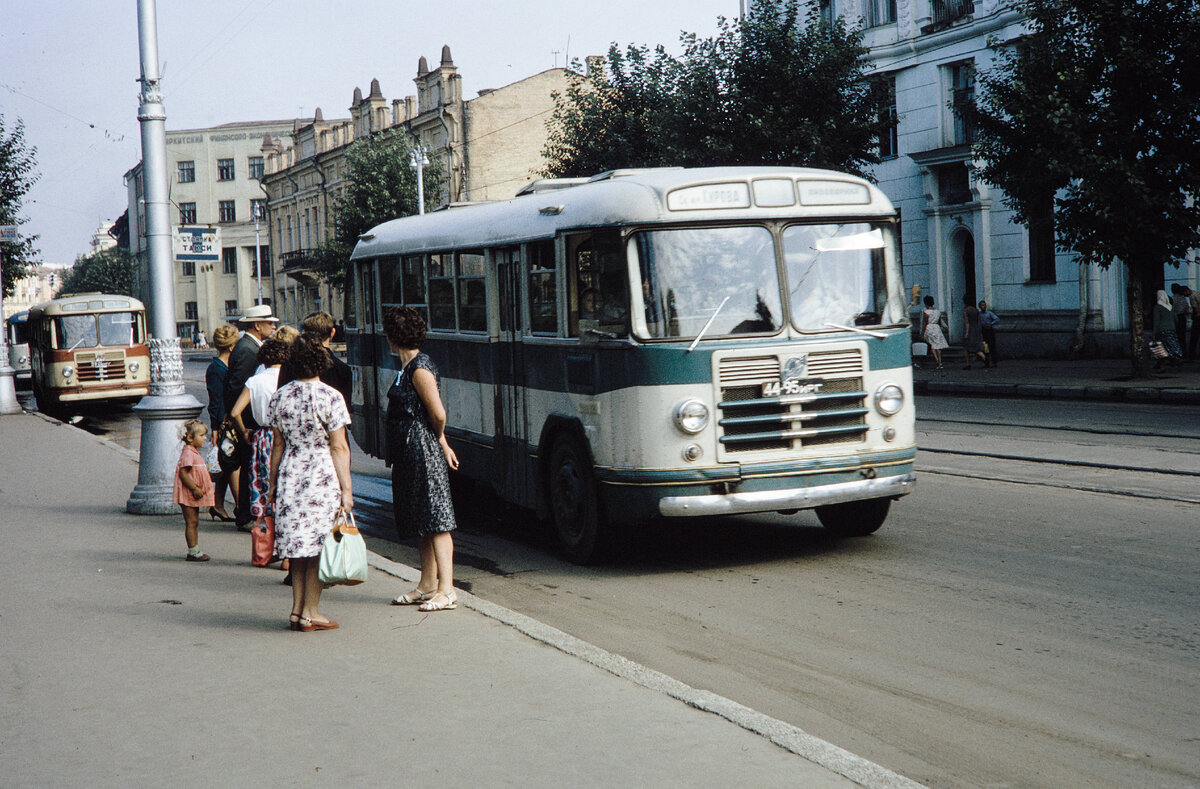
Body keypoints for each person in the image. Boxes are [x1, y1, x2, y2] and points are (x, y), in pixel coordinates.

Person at [267, 334, 353, 632]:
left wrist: (272, 482)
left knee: (297, 547)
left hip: (291, 472)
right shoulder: (331, 397)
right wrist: (346, 490)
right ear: (321, 362)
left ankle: (296, 610)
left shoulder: (280, 396)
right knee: (316, 547)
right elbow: (339, 447)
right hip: (321, 476)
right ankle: (311, 612)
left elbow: (276, 445)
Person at [383, 306, 460, 613]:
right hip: (412, 449)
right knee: (422, 519)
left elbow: (438, 413)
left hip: (421, 449)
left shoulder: (419, 369)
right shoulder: (409, 366)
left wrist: (438, 439)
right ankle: (428, 584)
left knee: (437, 518)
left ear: (392, 338)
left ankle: (447, 589)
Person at [223, 304, 279, 530]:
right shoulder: (248, 349)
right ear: (257, 325)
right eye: (269, 323)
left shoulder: (247, 345)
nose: (273, 327)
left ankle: (245, 513)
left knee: (251, 468)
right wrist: (244, 424)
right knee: (251, 469)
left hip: (247, 422)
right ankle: (246, 514)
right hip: (249, 424)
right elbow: (238, 388)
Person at [229, 338, 290, 540]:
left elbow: (235, 412)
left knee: (264, 485)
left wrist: (244, 431)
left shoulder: (255, 381)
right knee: (284, 487)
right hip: (283, 435)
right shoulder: (287, 380)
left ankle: (265, 538)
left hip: (262, 436)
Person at [277, 311, 352, 408]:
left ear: (304, 333)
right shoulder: (342, 369)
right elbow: (345, 411)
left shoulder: (289, 365)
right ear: (332, 333)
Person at [205, 324, 239, 521]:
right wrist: (216, 427)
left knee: (225, 467)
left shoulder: (223, 367)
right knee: (232, 465)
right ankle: (240, 506)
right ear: (232, 347)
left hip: (226, 420)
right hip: (226, 422)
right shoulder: (216, 369)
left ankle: (218, 505)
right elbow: (215, 401)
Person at [174, 419, 215, 562]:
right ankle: (193, 551)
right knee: (191, 522)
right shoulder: (188, 453)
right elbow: (183, 473)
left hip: (191, 493)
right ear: (190, 438)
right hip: (188, 493)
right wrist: (195, 488)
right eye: (202, 435)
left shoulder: (193, 451)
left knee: (194, 521)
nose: (205, 438)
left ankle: (195, 548)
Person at [1152, 289, 1183, 370]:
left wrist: (1154, 333)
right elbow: (1176, 319)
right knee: (1171, 345)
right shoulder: (1170, 307)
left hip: (1162, 330)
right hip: (1172, 329)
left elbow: (1156, 321)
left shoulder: (1158, 307)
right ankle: (1175, 359)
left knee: (1161, 348)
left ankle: (1162, 365)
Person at [921, 295, 949, 370]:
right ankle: (940, 361)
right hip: (936, 328)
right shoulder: (937, 312)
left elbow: (925, 323)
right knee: (938, 346)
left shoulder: (926, 312)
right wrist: (945, 327)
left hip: (929, 328)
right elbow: (940, 321)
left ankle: (937, 361)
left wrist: (922, 333)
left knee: (932, 346)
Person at [961, 295, 988, 369]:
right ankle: (985, 358)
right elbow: (979, 321)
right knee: (976, 347)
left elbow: (967, 322)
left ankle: (967, 364)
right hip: (976, 329)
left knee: (966, 347)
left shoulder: (965, 310)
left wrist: (966, 333)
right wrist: (979, 331)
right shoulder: (976, 310)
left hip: (970, 330)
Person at [979, 300, 1000, 368]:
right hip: (983, 330)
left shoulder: (989, 313)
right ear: (980, 307)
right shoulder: (979, 314)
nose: (984, 306)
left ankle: (994, 362)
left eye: (984, 305)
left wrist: (991, 323)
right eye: (982, 305)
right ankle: (986, 362)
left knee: (992, 346)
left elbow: (997, 319)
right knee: (985, 347)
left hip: (989, 330)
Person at [1188, 285, 1200, 360]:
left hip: (1198, 318)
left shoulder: (1192, 297)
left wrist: (1194, 314)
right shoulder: (1197, 293)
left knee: (1194, 338)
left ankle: (1191, 356)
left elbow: (1195, 308)